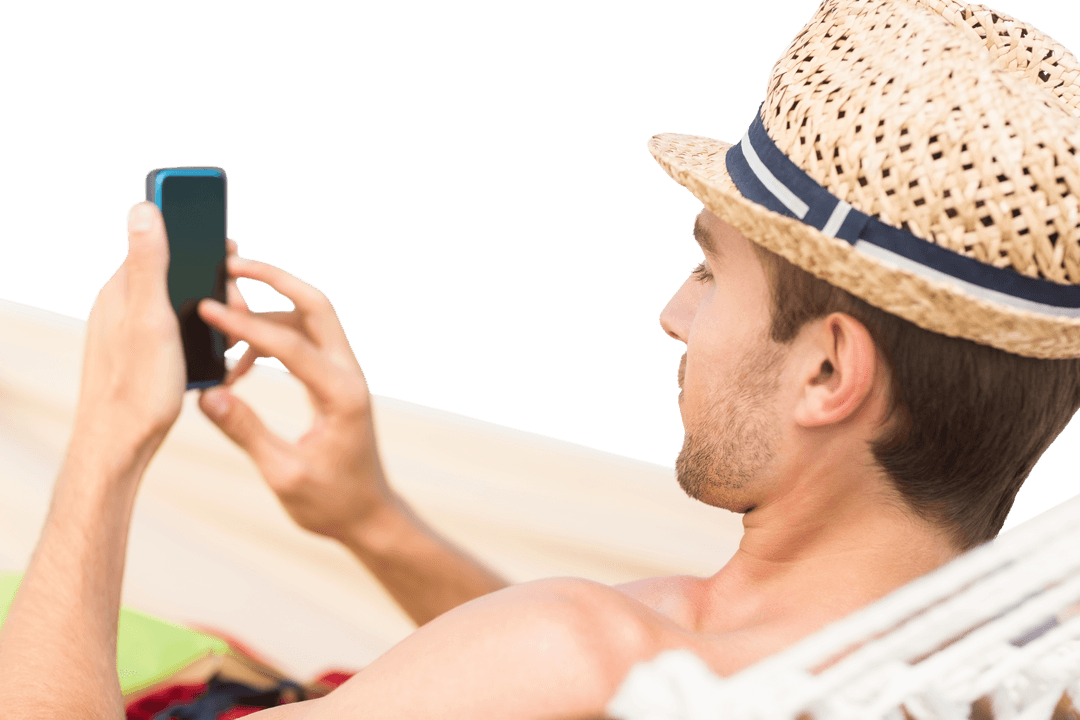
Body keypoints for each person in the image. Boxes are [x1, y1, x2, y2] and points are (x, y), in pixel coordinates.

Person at [3, 0, 1080, 717]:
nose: (673, 315)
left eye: (708, 271)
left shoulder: (568, 646)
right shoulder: (1020, 676)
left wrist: (107, 440)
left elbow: (556, 668)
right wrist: (369, 519)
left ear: (827, 374)